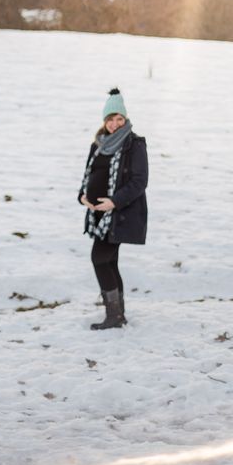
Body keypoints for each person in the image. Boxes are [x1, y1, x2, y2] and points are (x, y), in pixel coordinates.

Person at [77, 87, 149, 330]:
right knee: (109, 261)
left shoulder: (134, 144)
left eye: (119, 119)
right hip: (97, 215)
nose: (115, 124)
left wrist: (114, 202)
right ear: (104, 120)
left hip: (119, 214)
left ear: (125, 119)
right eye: (110, 119)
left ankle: (115, 316)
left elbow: (139, 181)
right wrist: (82, 197)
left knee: (99, 259)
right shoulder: (98, 144)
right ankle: (118, 314)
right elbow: (88, 175)